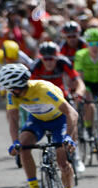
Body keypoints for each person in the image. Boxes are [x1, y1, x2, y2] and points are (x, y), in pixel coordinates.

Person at [0, 64, 79, 188]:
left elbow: (72, 113)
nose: (12, 92)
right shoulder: (12, 94)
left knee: (63, 163)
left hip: (59, 121)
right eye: (9, 88)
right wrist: (15, 142)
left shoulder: (42, 89)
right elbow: (13, 119)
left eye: (14, 88)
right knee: (23, 147)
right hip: (37, 121)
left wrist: (68, 137)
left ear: (22, 84)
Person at [31, 41, 87, 173]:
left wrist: (78, 92)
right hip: (42, 99)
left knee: (72, 119)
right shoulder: (36, 65)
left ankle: (76, 156)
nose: (49, 62)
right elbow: (29, 85)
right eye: (46, 59)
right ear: (41, 58)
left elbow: (78, 80)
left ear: (57, 57)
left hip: (61, 96)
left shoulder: (63, 62)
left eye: (52, 59)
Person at [74, 28, 98, 140]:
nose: (95, 46)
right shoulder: (80, 55)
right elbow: (79, 78)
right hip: (87, 83)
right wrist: (85, 91)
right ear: (87, 44)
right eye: (91, 43)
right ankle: (89, 129)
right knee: (88, 103)